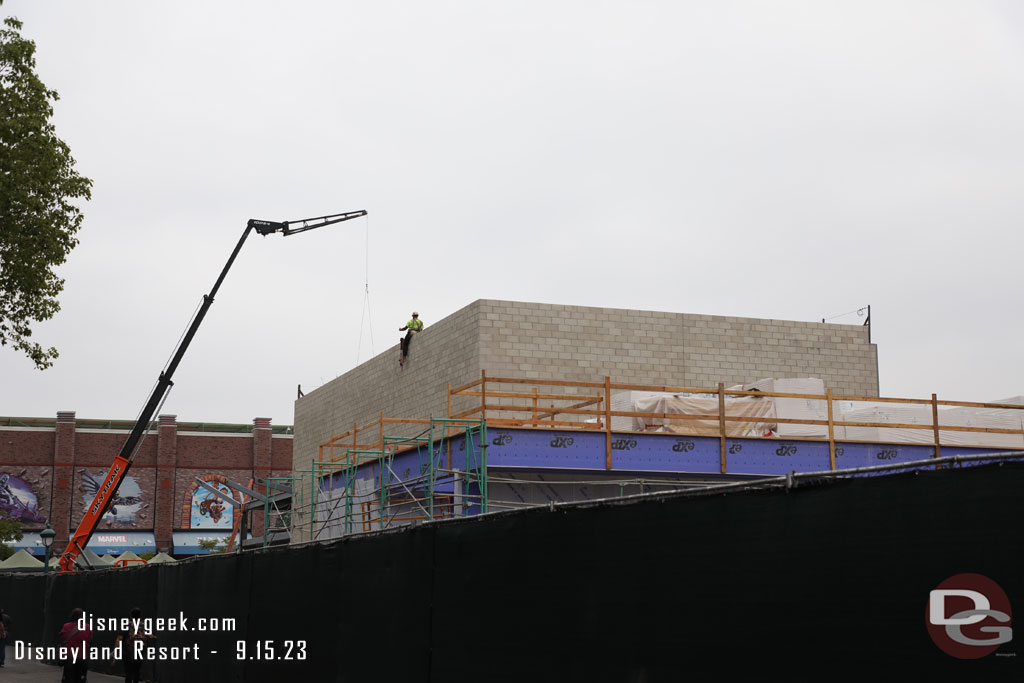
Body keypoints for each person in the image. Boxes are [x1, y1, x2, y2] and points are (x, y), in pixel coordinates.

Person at [114, 607, 153, 683]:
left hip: (127, 653)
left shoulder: (126, 625)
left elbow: (119, 639)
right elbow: (147, 639)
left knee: (128, 673)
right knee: (137, 672)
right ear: (140, 615)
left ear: (131, 616)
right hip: (139, 652)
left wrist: (115, 651)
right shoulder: (144, 626)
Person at [59, 608, 92, 683]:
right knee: (80, 679)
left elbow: (62, 639)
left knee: (68, 678)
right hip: (82, 656)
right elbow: (89, 641)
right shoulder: (87, 627)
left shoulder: (66, 626)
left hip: (69, 656)